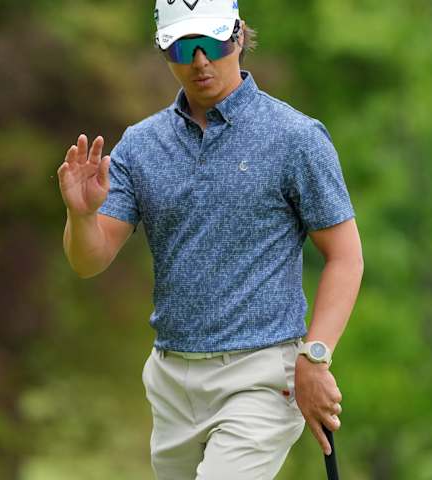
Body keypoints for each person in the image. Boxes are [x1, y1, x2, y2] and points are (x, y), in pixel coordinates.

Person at [56, 0, 363, 477]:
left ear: (238, 36)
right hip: (171, 381)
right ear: (165, 51)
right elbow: (88, 260)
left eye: (213, 42)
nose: (200, 60)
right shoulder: (140, 145)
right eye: (183, 46)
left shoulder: (296, 138)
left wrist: (316, 356)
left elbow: (345, 256)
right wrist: (81, 217)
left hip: (261, 376)